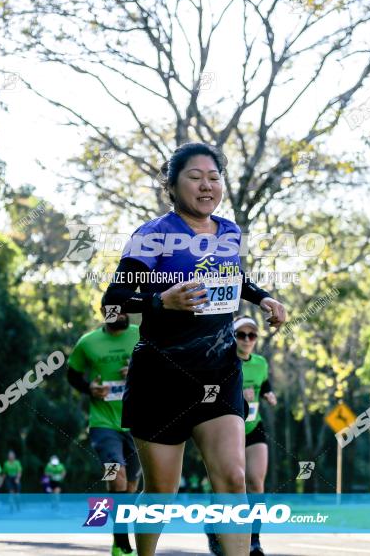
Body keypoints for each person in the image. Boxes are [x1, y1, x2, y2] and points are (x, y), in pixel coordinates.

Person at [103, 142, 287, 556]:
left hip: (218, 373)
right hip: (161, 377)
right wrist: (159, 302)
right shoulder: (152, 237)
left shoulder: (229, 233)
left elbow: (237, 279)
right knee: (161, 494)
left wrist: (265, 300)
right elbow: (112, 302)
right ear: (172, 184)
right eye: (195, 176)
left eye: (214, 177)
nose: (207, 185)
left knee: (233, 478)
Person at [67, 299, 142, 556]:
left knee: (131, 485)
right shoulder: (87, 343)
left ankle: (119, 535)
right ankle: (122, 542)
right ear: (104, 313)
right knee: (115, 475)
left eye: (123, 309)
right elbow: (72, 374)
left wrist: (136, 370)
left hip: (138, 422)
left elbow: (164, 365)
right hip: (103, 424)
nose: (120, 313)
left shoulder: (141, 334)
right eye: (114, 310)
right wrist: (89, 388)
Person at [207, 316, 277, 556]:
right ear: (231, 336)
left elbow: (263, 383)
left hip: (253, 427)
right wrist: (237, 396)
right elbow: (209, 395)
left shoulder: (260, 363)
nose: (247, 340)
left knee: (256, 482)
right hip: (226, 429)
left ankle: (253, 540)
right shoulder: (221, 362)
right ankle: (214, 527)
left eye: (252, 335)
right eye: (241, 335)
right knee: (229, 483)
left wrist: (268, 394)